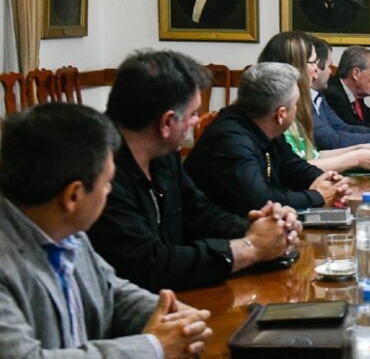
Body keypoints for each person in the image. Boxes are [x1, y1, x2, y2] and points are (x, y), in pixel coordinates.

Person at [0, 103, 213, 358]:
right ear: (73, 196)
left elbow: (111, 290)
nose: (110, 190)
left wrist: (173, 317)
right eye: (107, 182)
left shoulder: (66, 230)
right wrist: (154, 347)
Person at [88, 50, 302, 292]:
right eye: (192, 114)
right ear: (167, 122)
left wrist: (263, 228)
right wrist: (250, 248)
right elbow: (149, 264)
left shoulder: (162, 152)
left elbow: (199, 214)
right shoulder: (100, 173)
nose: (197, 121)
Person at [185, 62, 350, 216]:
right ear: (281, 114)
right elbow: (260, 201)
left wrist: (329, 182)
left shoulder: (263, 124)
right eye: (296, 104)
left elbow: (292, 167)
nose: (297, 110)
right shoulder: (230, 140)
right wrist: (318, 196)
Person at [258, 32, 370, 156]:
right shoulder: (298, 102)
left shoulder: (314, 96)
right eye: (314, 63)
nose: (319, 69)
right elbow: (329, 141)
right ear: (295, 66)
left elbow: (338, 132)